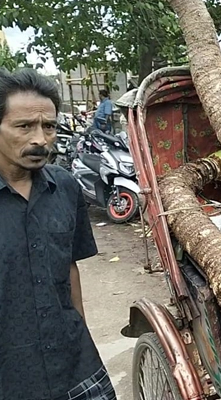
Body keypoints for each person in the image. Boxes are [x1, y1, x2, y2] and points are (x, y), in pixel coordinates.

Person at [0, 68, 116, 400]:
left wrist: (80, 331)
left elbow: (69, 266)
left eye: (48, 126)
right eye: (24, 127)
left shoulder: (64, 186)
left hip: (76, 365)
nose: (40, 139)